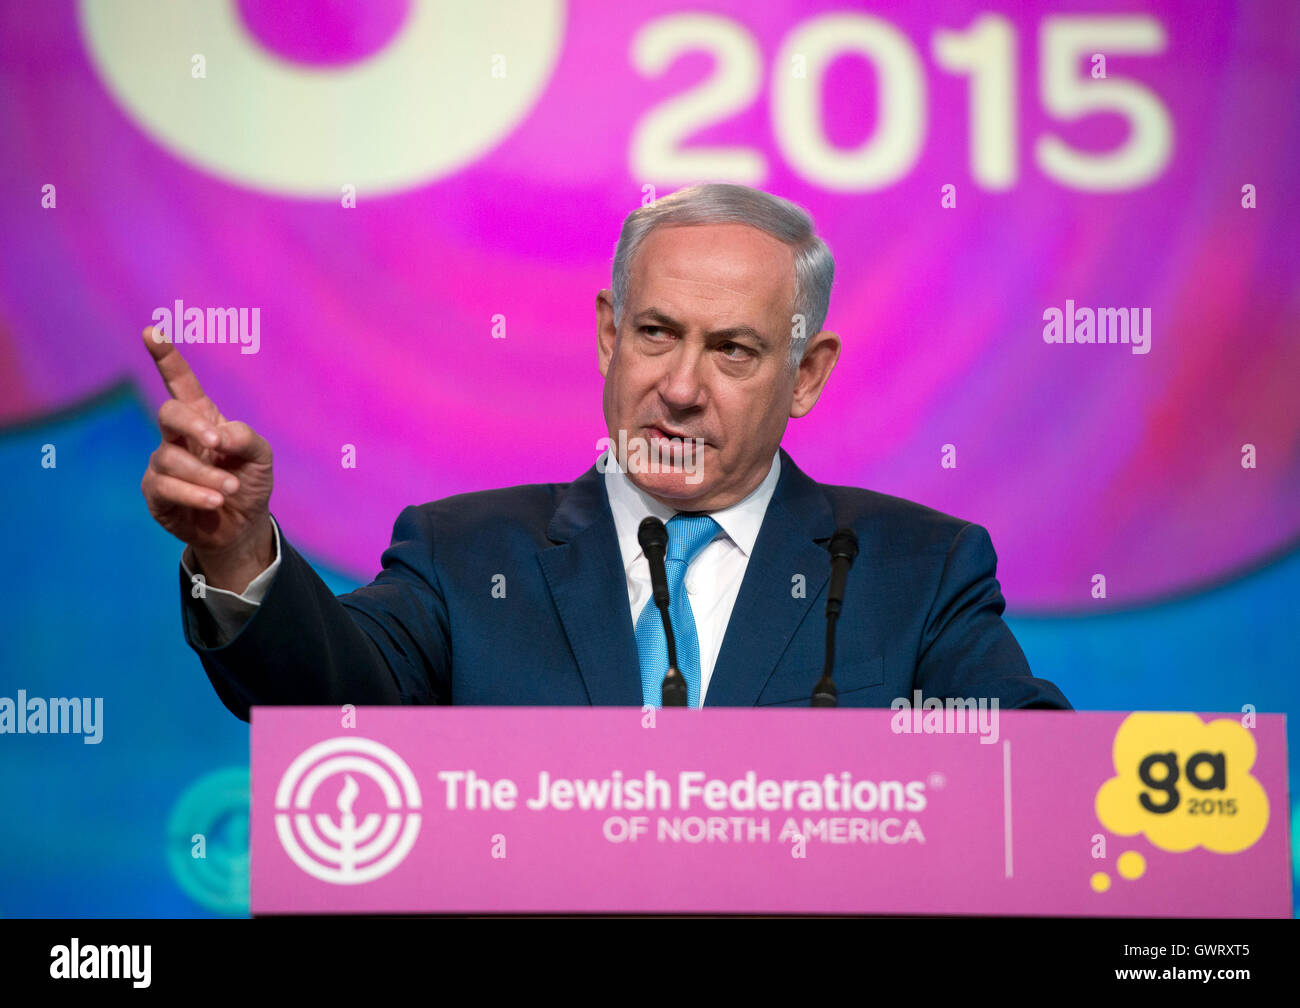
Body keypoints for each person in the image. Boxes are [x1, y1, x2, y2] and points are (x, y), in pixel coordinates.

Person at [141, 183, 1070, 720]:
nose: (678, 386)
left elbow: (1030, 782)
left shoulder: (918, 570)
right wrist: (235, 550)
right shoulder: (465, 556)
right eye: (657, 334)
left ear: (806, 375)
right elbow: (329, 702)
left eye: (733, 350)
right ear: (606, 338)